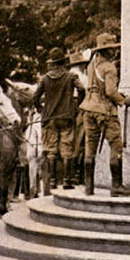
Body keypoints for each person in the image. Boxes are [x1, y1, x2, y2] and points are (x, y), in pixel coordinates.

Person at [79, 33, 130, 197]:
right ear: (106, 50)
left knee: (90, 147)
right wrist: (124, 101)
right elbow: (110, 91)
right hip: (104, 111)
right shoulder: (109, 67)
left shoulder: (91, 65)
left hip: (88, 109)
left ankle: (89, 188)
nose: (114, 52)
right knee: (116, 145)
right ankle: (116, 186)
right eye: (111, 49)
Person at [33, 47, 85, 190]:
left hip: (49, 119)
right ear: (63, 62)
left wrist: (40, 109)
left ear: (53, 63)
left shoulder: (45, 78)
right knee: (67, 148)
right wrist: (77, 106)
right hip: (66, 117)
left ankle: (52, 181)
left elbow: (35, 96)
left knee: (51, 150)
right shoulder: (71, 76)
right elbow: (82, 89)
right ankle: (67, 180)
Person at [68, 52, 90, 185]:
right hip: (79, 109)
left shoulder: (66, 75)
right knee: (80, 140)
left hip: (67, 111)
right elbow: (84, 92)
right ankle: (77, 173)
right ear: (80, 64)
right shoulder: (82, 77)